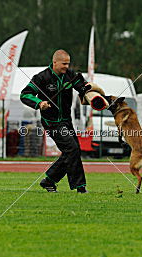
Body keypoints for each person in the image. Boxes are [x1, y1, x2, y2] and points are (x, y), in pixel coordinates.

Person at [20, 49, 90, 193]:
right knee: (72, 149)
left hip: (66, 121)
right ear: (55, 62)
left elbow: (83, 87)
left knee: (73, 151)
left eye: (68, 64)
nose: (66, 67)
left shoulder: (70, 75)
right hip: (51, 121)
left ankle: (49, 180)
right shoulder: (41, 78)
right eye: (64, 64)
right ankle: (80, 187)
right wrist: (39, 103)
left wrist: (88, 91)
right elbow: (25, 94)